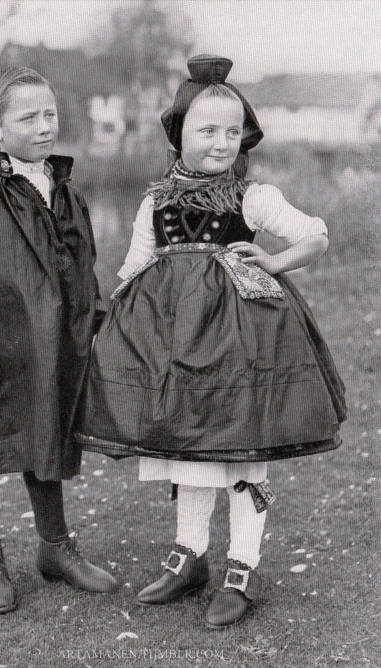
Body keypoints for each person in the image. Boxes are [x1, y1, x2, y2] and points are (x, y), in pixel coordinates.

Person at [74, 55, 346, 627]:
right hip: (175, 348)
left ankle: (240, 568)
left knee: (243, 451)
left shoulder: (253, 196)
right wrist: (111, 335)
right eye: (207, 130)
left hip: (245, 346)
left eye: (232, 131)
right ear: (178, 137)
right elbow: (133, 271)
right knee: (187, 447)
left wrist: (274, 260)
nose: (222, 143)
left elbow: (316, 234)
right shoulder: (156, 201)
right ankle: (189, 555)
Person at [0, 66, 118, 614]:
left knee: (45, 432)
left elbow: (84, 270)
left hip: (53, 343)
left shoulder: (67, 192)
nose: (43, 125)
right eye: (28, 116)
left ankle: (55, 547)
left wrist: (91, 325)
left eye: (50, 113)